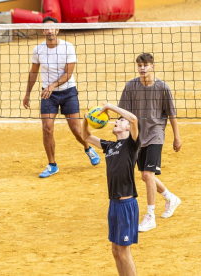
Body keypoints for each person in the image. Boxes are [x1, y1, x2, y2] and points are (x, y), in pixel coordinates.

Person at [23, 16, 100, 178]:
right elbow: (34, 72)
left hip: (68, 92)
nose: (49, 31)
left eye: (52, 28)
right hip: (48, 95)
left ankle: (88, 148)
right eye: (46, 28)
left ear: (57, 30)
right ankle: (52, 164)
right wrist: (27, 93)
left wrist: (52, 85)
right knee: (47, 129)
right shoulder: (38, 50)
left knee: (76, 130)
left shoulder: (68, 47)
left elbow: (68, 74)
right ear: (43, 31)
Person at [118, 53, 182, 232]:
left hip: (156, 134)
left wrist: (177, 136)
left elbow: (171, 114)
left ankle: (150, 216)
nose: (142, 68)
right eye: (139, 65)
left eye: (145, 65)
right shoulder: (131, 86)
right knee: (147, 176)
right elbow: (123, 112)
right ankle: (170, 197)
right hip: (137, 135)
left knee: (147, 174)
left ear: (152, 66)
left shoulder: (163, 87)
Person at [82, 103, 140, 276]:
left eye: (120, 121)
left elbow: (134, 119)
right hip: (114, 204)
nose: (115, 121)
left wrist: (110, 107)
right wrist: (86, 119)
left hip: (126, 205)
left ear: (128, 128)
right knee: (116, 251)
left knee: (124, 252)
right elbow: (85, 136)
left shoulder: (132, 145)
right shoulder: (109, 146)